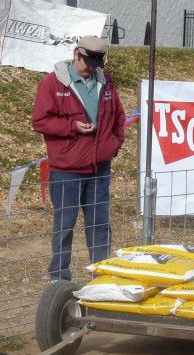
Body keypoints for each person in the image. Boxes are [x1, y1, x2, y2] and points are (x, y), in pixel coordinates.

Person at [32, 35, 126, 281]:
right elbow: (40, 121)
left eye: (97, 62)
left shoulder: (107, 83)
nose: (92, 67)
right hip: (67, 169)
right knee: (65, 224)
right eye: (88, 61)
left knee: (99, 225)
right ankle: (59, 276)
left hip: (99, 168)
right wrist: (72, 126)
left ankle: (102, 273)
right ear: (76, 54)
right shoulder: (52, 84)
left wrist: (112, 146)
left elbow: (118, 118)